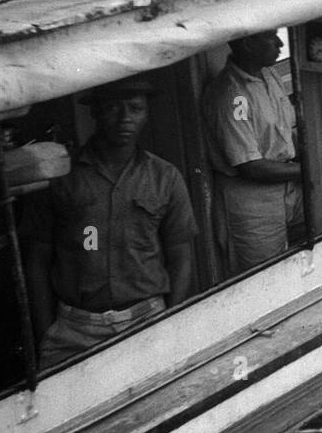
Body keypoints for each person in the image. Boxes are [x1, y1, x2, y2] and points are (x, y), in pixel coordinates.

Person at [24, 77, 197, 371]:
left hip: (147, 319)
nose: (125, 118)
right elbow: (37, 259)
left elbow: (181, 253)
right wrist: (45, 331)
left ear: (146, 113)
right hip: (74, 330)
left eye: (135, 108)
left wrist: (171, 319)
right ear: (95, 112)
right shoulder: (60, 177)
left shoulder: (165, 177)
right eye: (113, 108)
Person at [202, 30, 304, 274]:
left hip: (289, 188)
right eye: (271, 37)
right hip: (254, 202)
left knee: (304, 262)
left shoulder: (268, 74)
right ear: (248, 44)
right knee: (265, 276)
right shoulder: (232, 95)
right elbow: (250, 167)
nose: (280, 43)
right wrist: (309, 169)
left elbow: (285, 130)